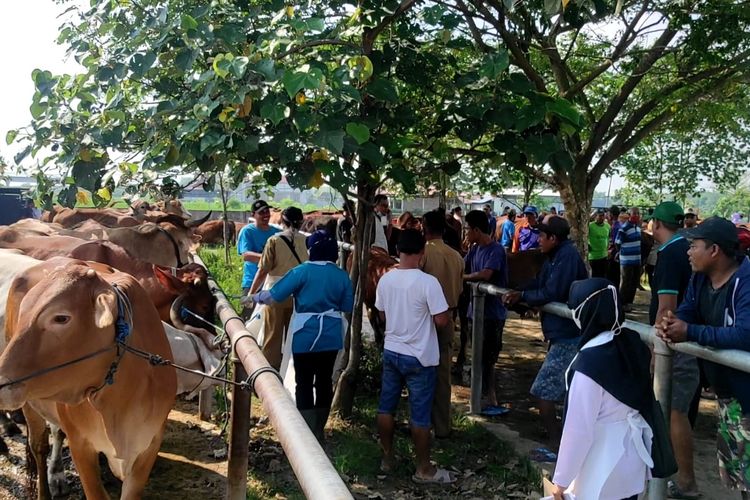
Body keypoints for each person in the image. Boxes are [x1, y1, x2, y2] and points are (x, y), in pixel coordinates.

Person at [657, 216, 750, 498]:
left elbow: (745, 335)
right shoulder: (700, 279)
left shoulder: (746, 282)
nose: (688, 251)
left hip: (747, 397)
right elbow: (687, 310)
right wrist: (672, 323)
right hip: (730, 397)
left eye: (693, 245)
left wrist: (691, 331)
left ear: (714, 251)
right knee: (742, 474)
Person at [551, 279, 659, 500]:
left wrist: (560, 482)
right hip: (634, 458)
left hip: (601, 462)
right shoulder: (633, 344)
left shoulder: (588, 365)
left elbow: (578, 430)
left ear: (586, 310)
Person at [250, 231, 353, 442]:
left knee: (303, 381)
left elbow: (275, 294)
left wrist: (254, 297)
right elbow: (347, 305)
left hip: (305, 334)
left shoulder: (302, 272)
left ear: (311, 250)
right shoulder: (341, 275)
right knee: (324, 380)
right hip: (331, 333)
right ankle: (319, 429)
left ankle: (306, 431)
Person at [375, 229, 455, 484]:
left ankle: (387, 458)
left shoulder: (386, 279)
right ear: (422, 253)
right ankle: (424, 468)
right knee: (420, 415)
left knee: (386, 407)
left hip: (392, 351)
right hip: (420, 356)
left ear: (398, 251)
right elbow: (441, 320)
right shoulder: (428, 283)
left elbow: (382, 315)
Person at [503, 216, 588, 444]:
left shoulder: (567, 258)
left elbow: (553, 292)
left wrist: (524, 296)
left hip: (569, 335)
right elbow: (539, 283)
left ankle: (557, 444)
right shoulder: (553, 257)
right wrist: (519, 291)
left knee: (543, 392)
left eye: (542, 235)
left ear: (553, 238)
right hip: (560, 333)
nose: (538, 239)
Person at [648, 201, 700, 499]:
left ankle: (685, 482)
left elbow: (666, 307)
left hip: (675, 342)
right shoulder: (689, 247)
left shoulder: (669, 254)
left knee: (674, 413)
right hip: (689, 335)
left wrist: (657, 350)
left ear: (656, 223)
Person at [419, 211, 464, 438]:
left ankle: (421, 424)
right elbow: (461, 289)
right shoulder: (457, 256)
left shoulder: (424, 253)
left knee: (420, 374)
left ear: (424, 227)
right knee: (443, 375)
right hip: (448, 318)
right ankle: (443, 427)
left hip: (425, 320)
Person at [248, 207, 308, 370]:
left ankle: (269, 373)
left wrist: (251, 293)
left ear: (283, 221)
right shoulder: (304, 240)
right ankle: (290, 372)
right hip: (298, 293)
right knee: (292, 336)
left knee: (272, 336)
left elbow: (263, 270)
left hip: (276, 292)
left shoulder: (274, 240)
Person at [463, 210, 508, 410]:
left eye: (467, 230)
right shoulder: (473, 250)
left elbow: (486, 274)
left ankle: (491, 396)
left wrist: (463, 278)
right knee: (477, 354)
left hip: (492, 314)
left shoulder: (496, 250)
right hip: (475, 312)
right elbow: (462, 267)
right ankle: (478, 395)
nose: (465, 233)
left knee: (489, 357)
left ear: (476, 230)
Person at [237, 200, 280, 319]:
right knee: (248, 317)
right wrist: (269, 258)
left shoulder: (277, 233)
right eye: (261, 213)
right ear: (253, 215)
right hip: (252, 282)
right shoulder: (247, 231)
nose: (266, 215)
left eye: (267, 211)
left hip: (272, 282)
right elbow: (246, 255)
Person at [615, 207, 642, 312]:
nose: (636, 215)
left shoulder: (638, 228)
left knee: (634, 282)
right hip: (626, 260)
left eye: (638, 213)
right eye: (634, 213)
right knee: (625, 282)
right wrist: (621, 253)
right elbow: (618, 243)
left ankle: (629, 303)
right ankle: (621, 304)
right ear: (629, 215)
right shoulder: (624, 228)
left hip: (637, 260)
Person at [588, 209, 610, 278]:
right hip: (593, 257)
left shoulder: (607, 226)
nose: (601, 217)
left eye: (603, 215)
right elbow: (584, 237)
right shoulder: (590, 226)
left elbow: (608, 238)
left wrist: (608, 250)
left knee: (603, 276)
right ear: (595, 216)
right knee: (594, 276)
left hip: (604, 256)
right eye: (599, 215)